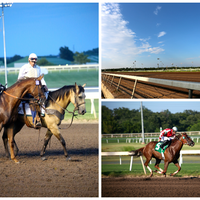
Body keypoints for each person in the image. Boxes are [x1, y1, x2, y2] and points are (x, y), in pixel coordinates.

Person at [18, 53, 48, 128]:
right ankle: (35, 119)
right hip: (27, 90)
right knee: (33, 100)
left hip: (36, 88)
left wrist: (45, 85)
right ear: (29, 59)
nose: (34, 61)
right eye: (32, 59)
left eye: (35, 59)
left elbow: (41, 78)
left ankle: (45, 115)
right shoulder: (24, 67)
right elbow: (19, 79)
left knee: (44, 96)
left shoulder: (38, 68)